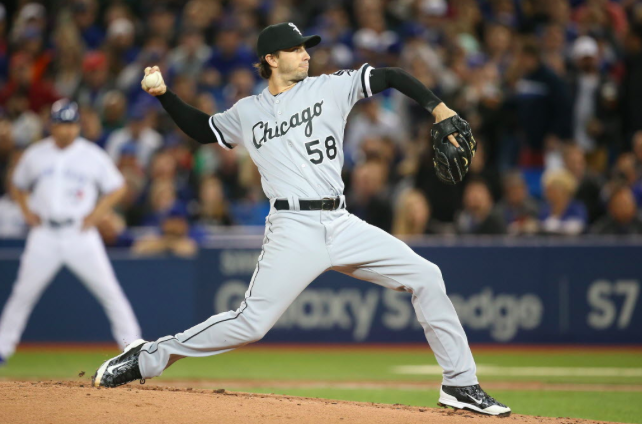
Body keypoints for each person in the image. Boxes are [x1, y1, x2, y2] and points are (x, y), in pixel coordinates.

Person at [92, 23, 510, 417]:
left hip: (342, 221)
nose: (306, 54)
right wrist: (165, 94)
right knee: (251, 323)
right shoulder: (247, 111)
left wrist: (438, 108)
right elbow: (204, 130)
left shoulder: (331, 87)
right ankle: (147, 357)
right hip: (293, 227)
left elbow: (392, 75)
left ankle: (459, 383)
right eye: (296, 49)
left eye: (306, 47)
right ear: (271, 59)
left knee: (427, 276)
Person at [0, 100, 141, 366]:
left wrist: (97, 215)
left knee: (110, 292)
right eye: (61, 124)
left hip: (80, 233)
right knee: (22, 293)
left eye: (71, 125)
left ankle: (134, 349)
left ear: (78, 126)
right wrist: (26, 211)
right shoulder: (36, 154)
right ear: (51, 126)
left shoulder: (91, 154)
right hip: (44, 234)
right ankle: (2, 348)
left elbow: (118, 187)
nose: (66, 130)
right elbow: (17, 184)